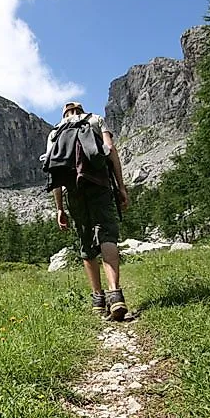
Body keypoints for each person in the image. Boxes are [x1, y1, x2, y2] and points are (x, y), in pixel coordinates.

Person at [46, 102, 130, 321]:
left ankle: (97, 300)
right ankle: (115, 295)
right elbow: (110, 150)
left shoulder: (56, 132)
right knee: (107, 234)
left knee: (86, 241)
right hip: (100, 184)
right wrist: (121, 187)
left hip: (73, 190)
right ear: (81, 111)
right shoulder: (95, 120)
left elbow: (54, 173)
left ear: (64, 113)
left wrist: (59, 209)